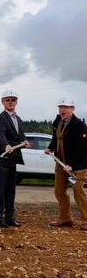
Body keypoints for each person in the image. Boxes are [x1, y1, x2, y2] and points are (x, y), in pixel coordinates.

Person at [44, 97, 87, 231]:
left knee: (78, 191)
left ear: (72, 109)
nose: (62, 110)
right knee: (59, 191)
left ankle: (86, 220)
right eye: (60, 107)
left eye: (66, 107)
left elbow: (81, 148)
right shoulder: (58, 121)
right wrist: (50, 147)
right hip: (61, 163)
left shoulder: (79, 125)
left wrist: (71, 164)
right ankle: (65, 219)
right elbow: (55, 138)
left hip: (78, 166)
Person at [0, 89, 29, 228]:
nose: (10, 102)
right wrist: (6, 145)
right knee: (0, 190)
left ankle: (10, 217)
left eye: (13, 100)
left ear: (16, 102)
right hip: (0, 160)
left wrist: (25, 141)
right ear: (3, 102)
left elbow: (20, 136)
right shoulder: (0, 118)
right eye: (8, 100)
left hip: (12, 160)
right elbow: (0, 134)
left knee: (11, 190)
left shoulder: (18, 119)